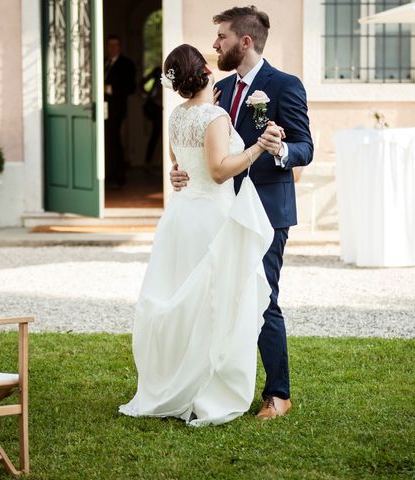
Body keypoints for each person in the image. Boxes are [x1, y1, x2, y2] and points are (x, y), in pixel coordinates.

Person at [118, 44, 282, 426]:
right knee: (215, 303)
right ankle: (205, 389)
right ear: (206, 71)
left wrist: (178, 172)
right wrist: (259, 146)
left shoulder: (177, 115)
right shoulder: (215, 116)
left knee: (184, 302)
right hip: (211, 217)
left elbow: (179, 164)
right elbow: (220, 171)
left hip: (181, 216)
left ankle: (177, 381)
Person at [170, 6, 313, 420]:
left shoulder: (284, 86)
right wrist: (181, 172)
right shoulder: (218, 89)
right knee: (215, 297)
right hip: (218, 208)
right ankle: (210, 382)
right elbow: (205, 150)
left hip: (266, 209)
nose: (215, 45)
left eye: (222, 38)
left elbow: (306, 145)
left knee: (262, 297)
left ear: (245, 42)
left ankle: (278, 394)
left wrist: (280, 149)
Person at [104, 34, 136, 187]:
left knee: (114, 141)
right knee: (105, 142)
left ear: (120, 47)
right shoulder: (104, 62)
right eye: (110, 45)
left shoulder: (126, 64)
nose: (112, 48)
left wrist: (108, 89)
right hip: (101, 109)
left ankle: (118, 177)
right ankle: (106, 175)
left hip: (116, 110)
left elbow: (130, 88)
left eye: (115, 45)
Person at [141, 66, 163, 166]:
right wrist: (149, 96)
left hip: (158, 107)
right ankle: (149, 163)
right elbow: (141, 84)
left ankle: (150, 162)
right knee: (155, 136)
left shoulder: (166, 72)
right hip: (155, 107)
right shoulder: (157, 71)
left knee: (156, 136)